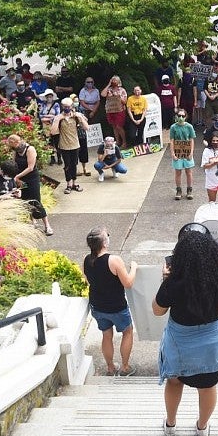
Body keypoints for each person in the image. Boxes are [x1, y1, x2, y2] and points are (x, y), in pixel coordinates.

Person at [154, 224, 218, 436]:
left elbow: (157, 310)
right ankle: (202, 428)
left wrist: (166, 280)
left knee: (174, 382)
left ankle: (171, 424)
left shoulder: (174, 283)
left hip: (180, 344)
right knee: (208, 386)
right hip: (211, 343)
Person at [83, 227, 139, 376]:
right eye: (107, 235)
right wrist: (134, 268)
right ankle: (125, 367)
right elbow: (128, 283)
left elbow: (88, 280)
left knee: (106, 335)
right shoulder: (113, 260)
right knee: (127, 332)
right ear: (104, 243)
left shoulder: (87, 260)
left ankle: (110, 368)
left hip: (97, 307)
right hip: (117, 307)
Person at [7, 133, 54, 236]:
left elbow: (30, 167)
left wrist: (17, 176)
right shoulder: (15, 152)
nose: (12, 148)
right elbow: (14, 164)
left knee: (36, 201)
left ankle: (47, 225)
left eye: (13, 145)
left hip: (31, 178)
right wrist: (16, 177)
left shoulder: (29, 149)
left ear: (17, 142)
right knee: (25, 200)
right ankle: (33, 222)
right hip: (21, 179)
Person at [54, 98, 89, 195]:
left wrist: (81, 118)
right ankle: (68, 184)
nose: (67, 108)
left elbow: (87, 128)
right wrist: (57, 120)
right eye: (65, 107)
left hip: (75, 144)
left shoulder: (76, 117)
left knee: (74, 164)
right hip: (64, 145)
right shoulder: (59, 117)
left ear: (72, 107)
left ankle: (74, 183)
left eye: (68, 107)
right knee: (67, 166)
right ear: (62, 107)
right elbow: (53, 132)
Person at [170, 109, 196, 201]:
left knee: (188, 172)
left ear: (186, 117)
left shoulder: (189, 127)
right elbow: (172, 141)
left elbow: (192, 140)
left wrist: (191, 153)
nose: (181, 118)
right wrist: (172, 153)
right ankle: (179, 190)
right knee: (178, 172)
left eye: (183, 116)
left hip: (187, 152)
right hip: (178, 152)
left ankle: (189, 190)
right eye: (179, 116)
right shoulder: (173, 127)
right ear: (176, 116)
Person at [103, 75, 128, 146]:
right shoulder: (109, 89)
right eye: (112, 80)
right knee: (114, 126)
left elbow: (125, 102)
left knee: (119, 126)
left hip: (119, 111)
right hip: (110, 111)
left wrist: (118, 96)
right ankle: (118, 141)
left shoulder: (122, 90)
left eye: (115, 80)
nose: (113, 81)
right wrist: (108, 84)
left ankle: (124, 142)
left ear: (118, 82)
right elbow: (103, 94)